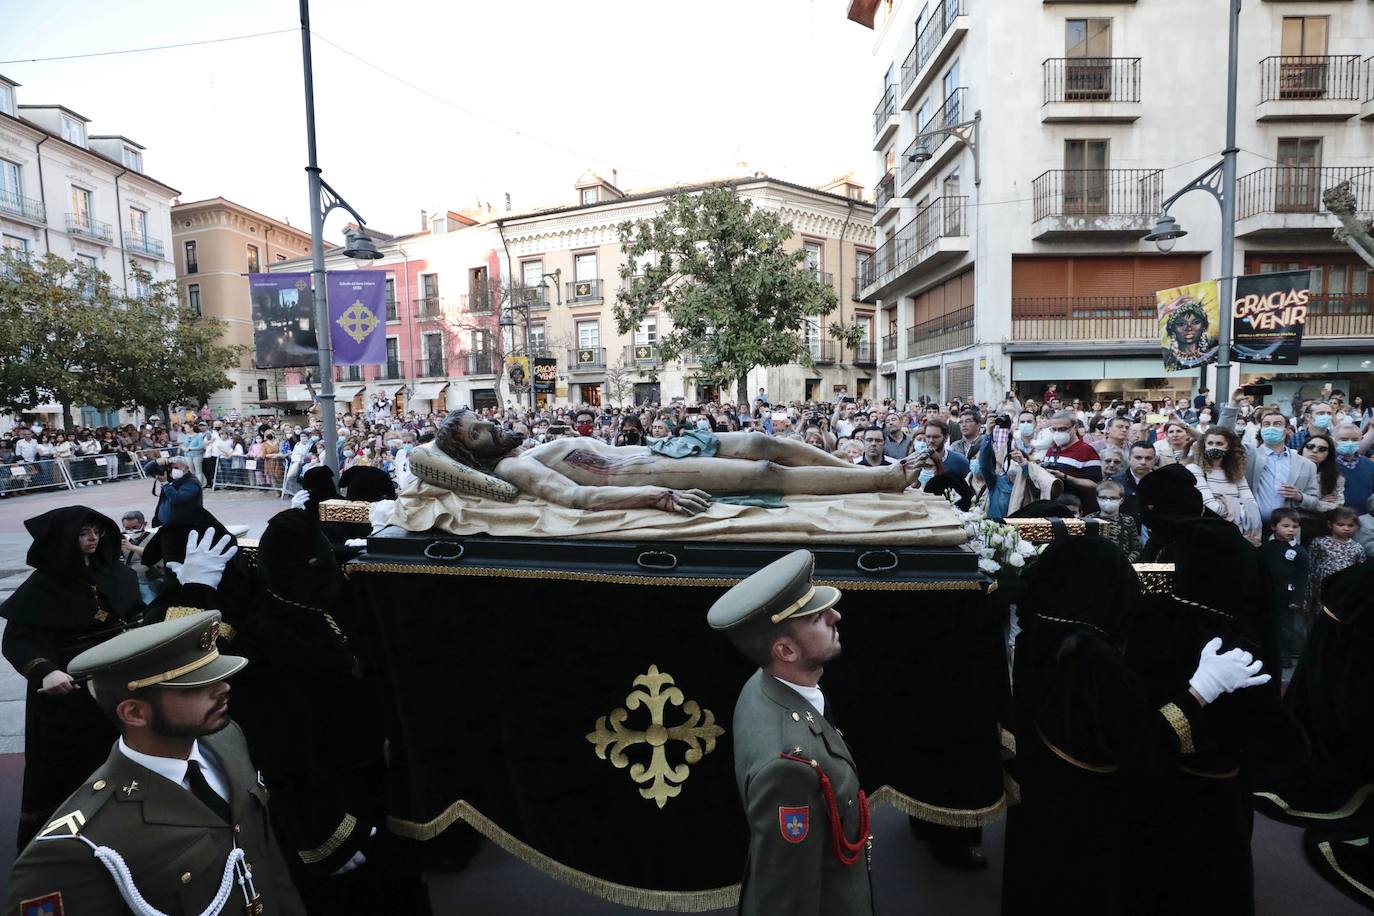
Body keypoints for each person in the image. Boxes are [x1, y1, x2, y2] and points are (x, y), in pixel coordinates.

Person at [1001, 538, 1270, 916]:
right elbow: (1144, 744)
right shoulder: (1093, 657)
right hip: (1085, 810)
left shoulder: (1039, 628)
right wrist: (1203, 689)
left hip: (1044, 794)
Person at [4, 607, 307, 916]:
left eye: (217, 674)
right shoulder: (75, 848)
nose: (223, 687)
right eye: (195, 686)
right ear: (134, 713)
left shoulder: (227, 740)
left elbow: (269, 870)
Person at [707, 550, 873, 916]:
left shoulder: (766, 685)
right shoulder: (788, 768)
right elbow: (785, 900)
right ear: (785, 649)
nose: (835, 616)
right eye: (817, 618)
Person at [426, 408, 923, 514]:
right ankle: (882, 479)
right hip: (646, 471)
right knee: (765, 474)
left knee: (759, 440)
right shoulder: (514, 469)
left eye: (480, 419)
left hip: (660, 449)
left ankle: (860, 473)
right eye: (478, 432)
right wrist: (658, 496)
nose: (489, 427)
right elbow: (576, 495)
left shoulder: (520, 448)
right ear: (471, 452)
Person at [0, 508, 143, 850]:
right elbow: (17, 641)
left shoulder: (112, 572)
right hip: (67, 695)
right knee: (67, 767)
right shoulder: (42, 588)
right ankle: (63, 845)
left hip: (117, 687)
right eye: (83, 533)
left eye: (96, 531)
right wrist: (44, 671)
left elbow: (133, 611)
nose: (93, 538)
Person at [1238, 410, 1320, 534]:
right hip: (1252, 528)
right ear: (1261, 429)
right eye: (1266, 424)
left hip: (1286, 533)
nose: (1271, 428)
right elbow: (1223, 435)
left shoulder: (1306, 465)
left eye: (1277, 424)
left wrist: (1299, 496)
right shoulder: (1249, 456)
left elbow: (1314, 502)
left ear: (1287, 429)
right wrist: (1233, 405)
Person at [1303, 507, 1366, 640]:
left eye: (1350, 525)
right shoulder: (1320, 543)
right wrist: (1308, 595)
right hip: (1322, 589)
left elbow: (1360, 571)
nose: (1346, 528)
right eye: (1341, 524)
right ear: (1330, 524)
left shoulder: (1357, 548)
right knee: (1319, 620)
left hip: (1345, 592)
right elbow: (1311, 567)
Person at [1258, 508, 1309, 669]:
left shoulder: (1299, 551)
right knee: (1266, 623)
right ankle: (1266, 652)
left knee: (1286, 627)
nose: (1291, 530)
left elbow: (1302, 577)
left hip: (1287, 597)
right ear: (1274, 526)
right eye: (1286, 526)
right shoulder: (1265, 547)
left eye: (1295, 526)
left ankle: (1284, 655)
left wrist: (1297, 598)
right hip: (1267, 593)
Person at [1190, 427, 1261, 544]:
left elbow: (1252, 508)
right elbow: (1213, 508)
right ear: (1204, 445)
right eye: (1210, 443)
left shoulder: (1236, 472)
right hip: (1209, 535)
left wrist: (1224, 501)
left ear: (1228, 447)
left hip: (1236, 537)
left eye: (1219, 443)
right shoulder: (1195, 469)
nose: (1214, 447)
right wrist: (1238, 506)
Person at [1042, 410, 1103, 515]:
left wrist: (1065, 477)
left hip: (1078, 510)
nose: (1057, 433)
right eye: (1054, 429)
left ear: (1074, 428)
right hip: (1054, 508)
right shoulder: (1052, 450)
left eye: (1062, 429)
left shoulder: (1086, 450)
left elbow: (1094, 485)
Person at [1296, 432, 1346, 543]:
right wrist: (1318, 501)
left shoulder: (1336, 478)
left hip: (1319, 526)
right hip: (1291, 523)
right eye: (1310, 446)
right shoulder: (1289, 469)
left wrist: (1308, 501)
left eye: (1322, 449)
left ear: (1329, 454)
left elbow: (1338, 504)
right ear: (1303, 448)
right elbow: (1290, 501)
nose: (1314, 451)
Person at [1085, 479, 1141, 561]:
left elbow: (1137, 548)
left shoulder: (1128, 520)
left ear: (1121, 500)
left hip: (1122, 566)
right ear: (1097, 499)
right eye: (1103, 497)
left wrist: (1127, 562)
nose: (1108, 501)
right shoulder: (1089, 519)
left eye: (1113, 498)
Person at [1334, 421, 1374, 512]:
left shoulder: (1370, 465)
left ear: (1361, 439)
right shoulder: (1326, 464)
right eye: (1344, 439)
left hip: (1365, 517)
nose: (1349, 443)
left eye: (1354, 440)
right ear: (1333, 440)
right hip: (1336, 519)